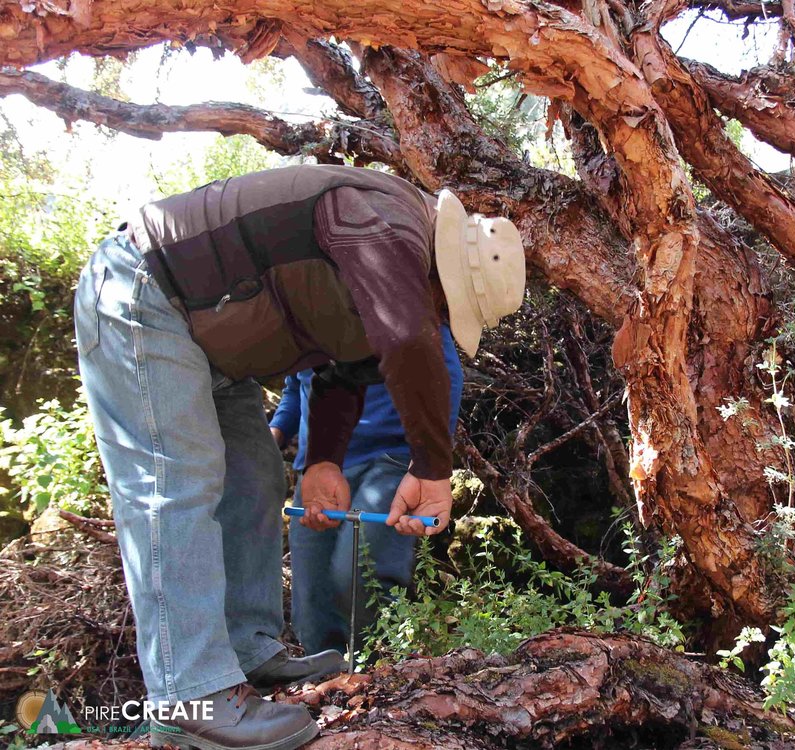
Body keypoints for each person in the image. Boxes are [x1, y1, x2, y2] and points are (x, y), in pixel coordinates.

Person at [73, 164, 525, 750]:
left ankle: (244, 650)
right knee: (176, 484)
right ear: (446, 264)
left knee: (257, 474)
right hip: (145, 297)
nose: (439, 314)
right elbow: (406, 338)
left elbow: (346, 363)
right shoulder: (386, 215)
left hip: (208, 343)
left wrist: (324, 462)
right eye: (446, 302)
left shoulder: (383, 251)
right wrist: (433, 468)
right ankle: (189, 696)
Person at [270, 324, 463, 656]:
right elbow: (296, 388)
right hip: (318, 469)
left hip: (393, 459)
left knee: (360, 573)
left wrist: (429, 465)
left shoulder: (394, 295)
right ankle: (324, 687)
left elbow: (444, 371)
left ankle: (377, 675)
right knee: (311, 602)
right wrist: (273, 435)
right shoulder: (298, 306)